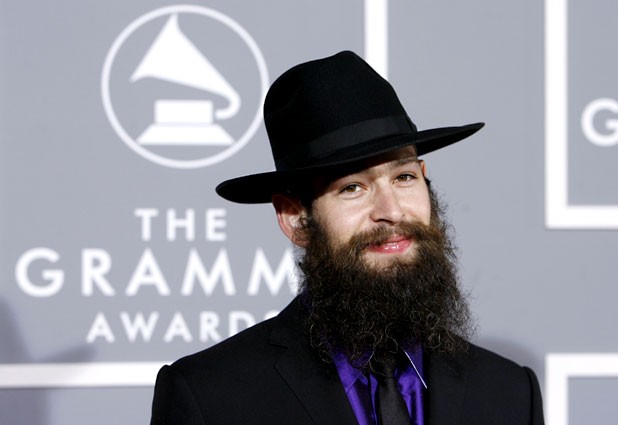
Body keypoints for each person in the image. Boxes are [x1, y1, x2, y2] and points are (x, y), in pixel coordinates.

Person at [149, 50, 544, 425]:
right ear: (295, 218)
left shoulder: (509, 393)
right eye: (352, 187)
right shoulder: (211, 397)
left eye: (404, 177)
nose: (391, 210)